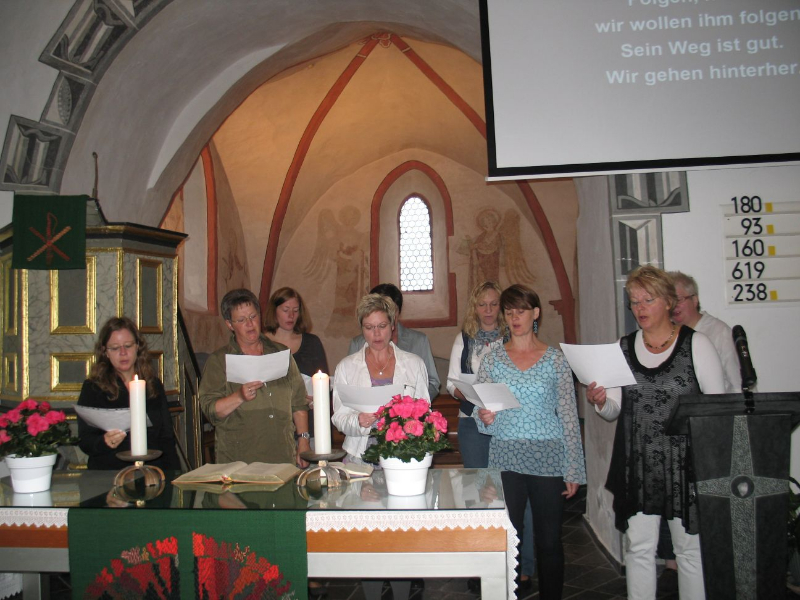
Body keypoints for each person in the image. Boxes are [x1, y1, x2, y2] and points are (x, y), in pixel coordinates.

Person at [587, 266, 725, 600]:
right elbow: (613, 410)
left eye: (647, 300)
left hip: (685, 465)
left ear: (668, 302)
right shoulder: (623, 347)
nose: (640, 308)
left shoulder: (697, 344)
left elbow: (717, 409)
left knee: (689, 550)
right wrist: (600, 402)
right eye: (634, 301)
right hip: (639, 463)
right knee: (639, 548)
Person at [475, 284, 586, 599]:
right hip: (506, 456)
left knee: (549, 541)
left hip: (547, 456)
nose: (514, 317)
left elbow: (568, 415)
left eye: (521, 311)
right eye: (509, 312)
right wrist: (486, 417)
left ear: (535, 313)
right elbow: (481, 413)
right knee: (507, 539)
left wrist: (574, 468)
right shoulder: (493, 360)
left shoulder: (556, 360)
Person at [332, 293, 430, 600]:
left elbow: (425, 411)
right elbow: (339, 416)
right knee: (368, 537)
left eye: (382, 326)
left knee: (401, 535)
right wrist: (359, 420)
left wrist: (405, 419)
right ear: (361, 328)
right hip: (361, 458)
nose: (376, 334)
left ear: (393, 325)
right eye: (369, 327)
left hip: (402, 460)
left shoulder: (413, 364)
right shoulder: (347, 366)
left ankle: (402, 595)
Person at [199, 289, 310, 466]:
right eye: (241, 320)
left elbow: (298, 402)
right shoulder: (219, 361)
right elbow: (210, 410)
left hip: (282, 453)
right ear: (229, 325)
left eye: (253, 316)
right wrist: (239, 396)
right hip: (240, 458)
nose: (250, 324)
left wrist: (303, 440)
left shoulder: (280, 353)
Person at [77, 317, 180, 471]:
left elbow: (166, 437)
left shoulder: (153, 384)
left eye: (128, 346)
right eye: (115, 348)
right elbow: (85, 440)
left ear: (137, 346)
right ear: (105, 352)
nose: (123, 353)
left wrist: (174, 474)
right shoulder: (93, 388)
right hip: (110, 471)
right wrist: (104, 442)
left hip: (151, 470)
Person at [347, 283, 440, 399]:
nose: (388, 314)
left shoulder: (418, 340)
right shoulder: (358, 343)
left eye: (392, 310)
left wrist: (412, 403)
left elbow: (433, 382)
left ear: (399, 311)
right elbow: (350, 383)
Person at [264, 286, 330, 448]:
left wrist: (316, 397)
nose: (291, 316)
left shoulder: (312, 343)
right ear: (274, 311)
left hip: (309, 425)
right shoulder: (262, 344)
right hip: (273, 426)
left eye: (295, 310)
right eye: (286, 310)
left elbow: (324, 383)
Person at [669, 271, 742, 393]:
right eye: (669, 301)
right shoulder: (666, 336)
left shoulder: (719, 332)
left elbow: (738, 384)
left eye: (679, 299)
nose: (674, 306)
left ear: (695, 300)